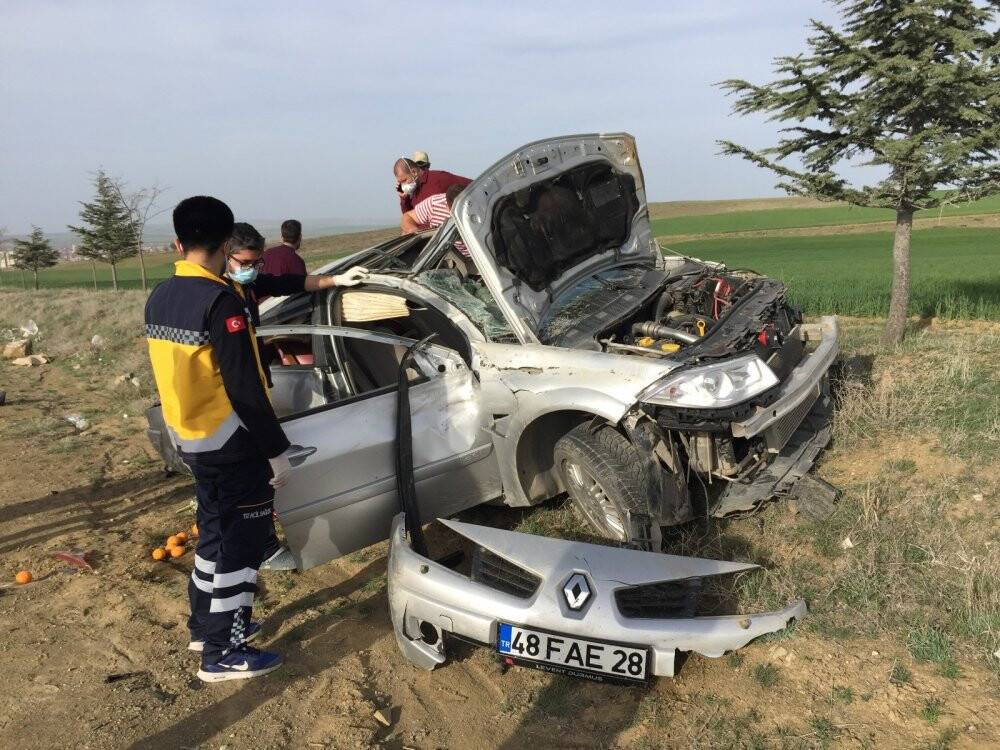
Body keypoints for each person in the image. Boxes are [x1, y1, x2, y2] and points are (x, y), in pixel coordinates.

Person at [143, 197, 365, 683]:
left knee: (214, 538)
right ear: (226, 244)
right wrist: (275, 451)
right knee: (240, 552)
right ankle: (223, 652)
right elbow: (244, 388)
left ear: (178, 243)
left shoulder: (161, 295)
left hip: (191, 439)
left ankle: (205, 627)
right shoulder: (220, 302)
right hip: (232, 445)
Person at [225, 221, 367, 571]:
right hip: (234, 398)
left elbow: (292, 283)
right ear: (225, 255)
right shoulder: (218, 297)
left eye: (256, 262)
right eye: (245, 263)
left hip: (256, 386)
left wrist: (337, 279)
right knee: (252, 474)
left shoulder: (246, 285)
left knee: (257, 474)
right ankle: (263, 549)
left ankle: (259, 540)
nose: (252, 269)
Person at [393, 152, 471, 230]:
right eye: (400, 182)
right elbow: (409, 217)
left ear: (414, 172)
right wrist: (404, 198)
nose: (403, 185)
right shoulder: (412, 190)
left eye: (404, 180)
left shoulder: (439, 178)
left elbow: (472, 185)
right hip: (425, 235)